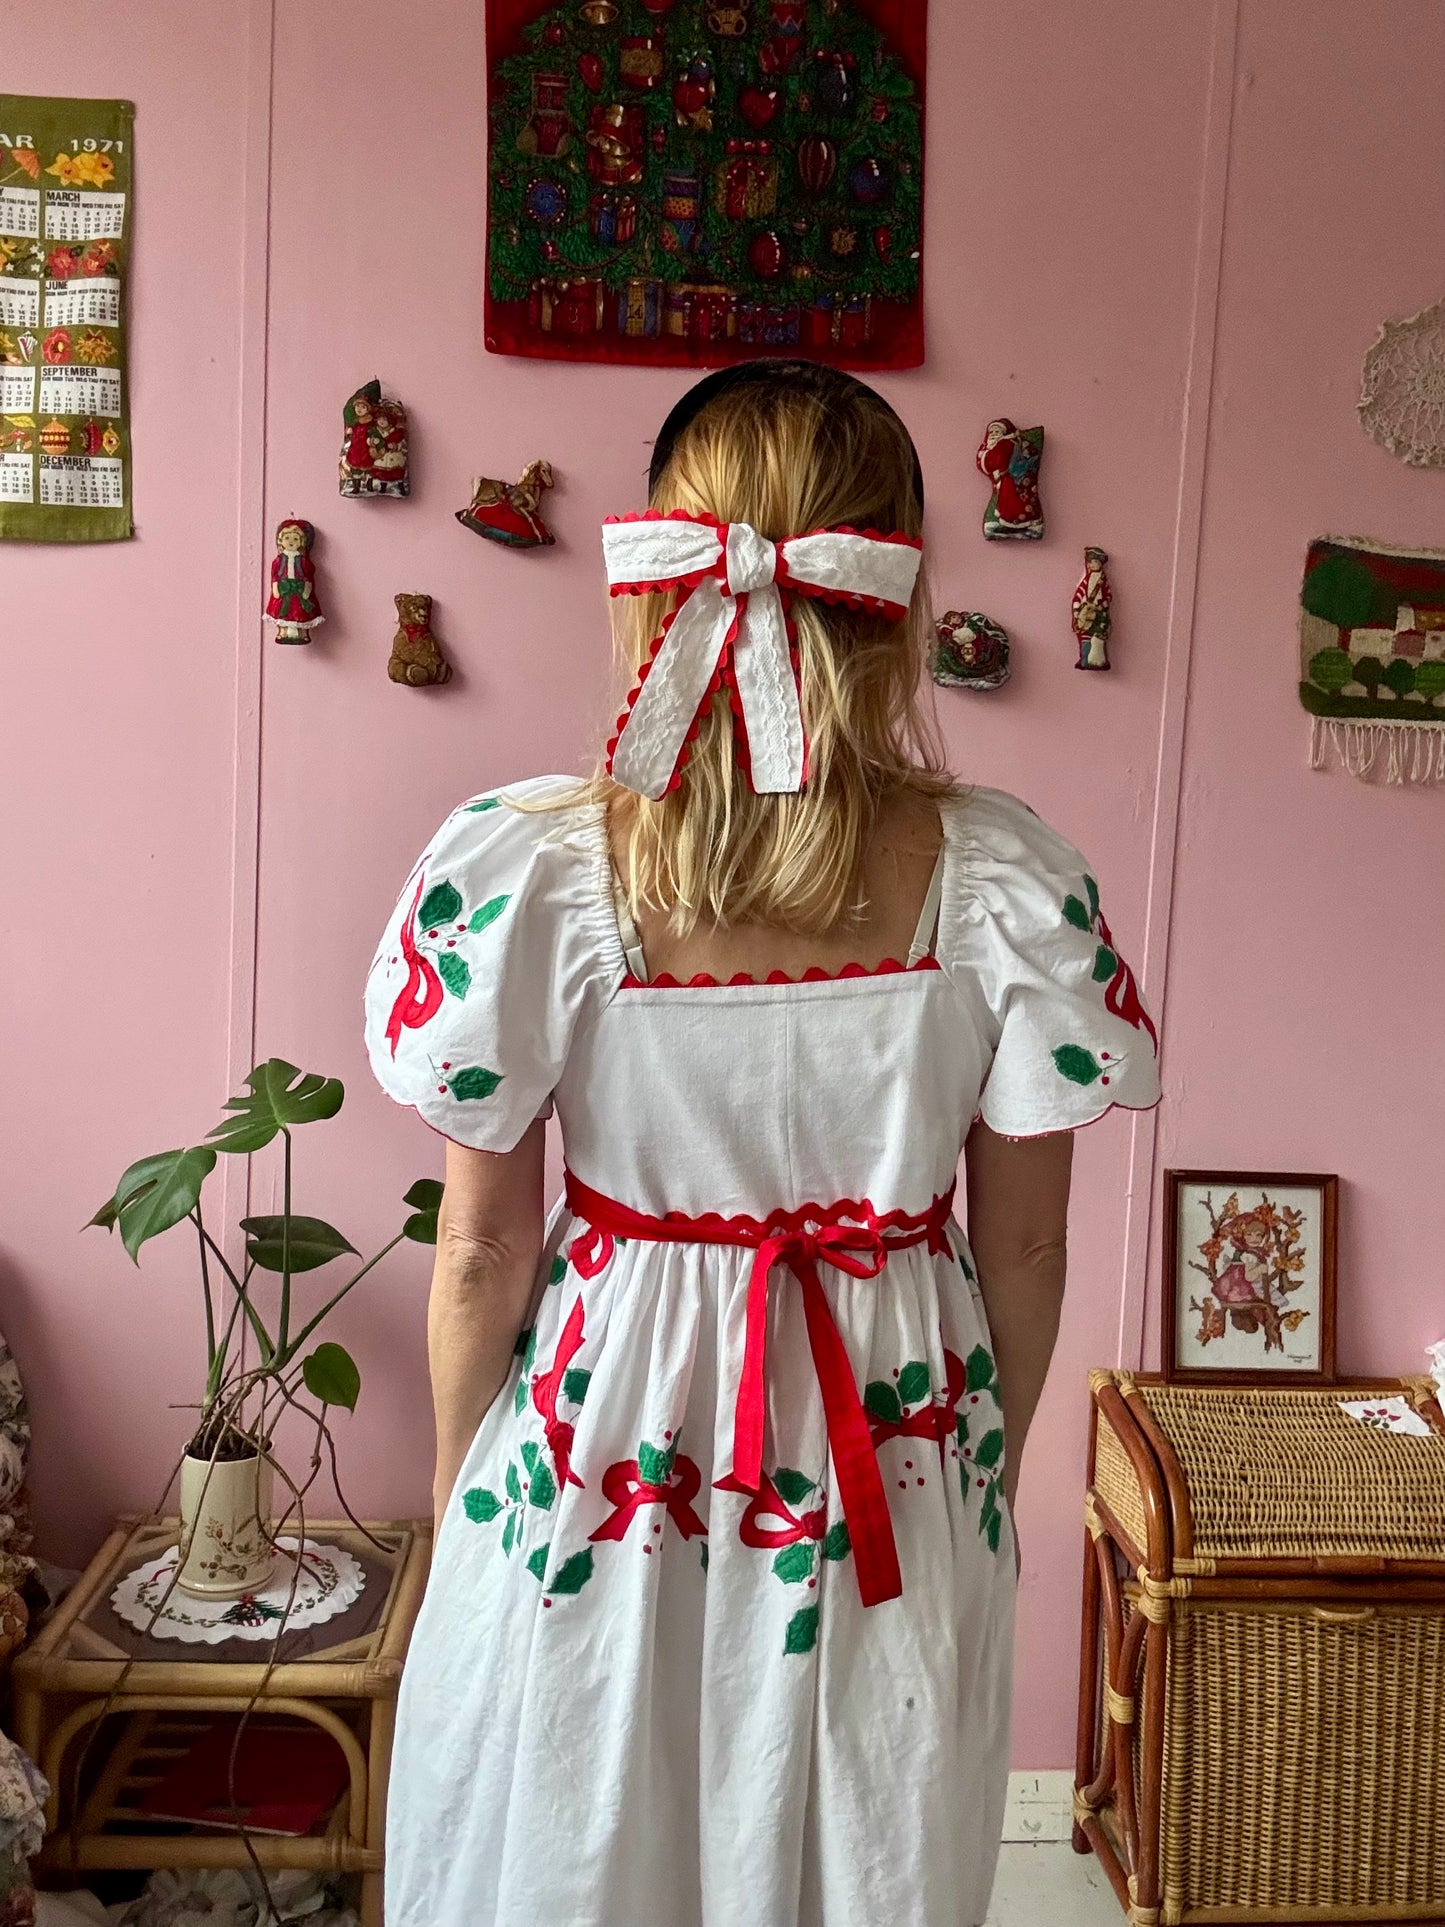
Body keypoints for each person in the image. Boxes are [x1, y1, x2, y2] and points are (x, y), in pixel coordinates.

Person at [363, 359, 1161, 1927]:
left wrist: (463, 1484)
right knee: (859, 1821)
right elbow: (1022, 1245)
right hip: (892, 1429)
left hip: (606, 1438)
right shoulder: (1001, 877)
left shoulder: (536, 866)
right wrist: (979, 1470)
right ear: (894, 590)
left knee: (583, 1810)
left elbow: (481, 1250)